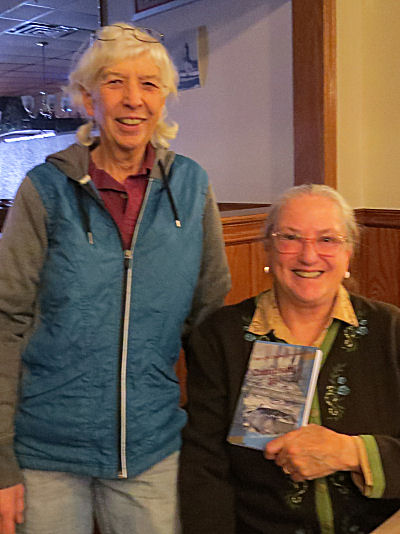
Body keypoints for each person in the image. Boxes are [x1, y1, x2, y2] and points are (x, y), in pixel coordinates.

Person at [0, 23, 230, 534]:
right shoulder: (44, 190)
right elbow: (4, 321)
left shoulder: (192, 187)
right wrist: (0, 462)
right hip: (46, 452)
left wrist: (214, 440)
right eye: (114, 82)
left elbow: (209, 319)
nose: (133, 99)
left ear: (164, 99)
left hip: (150, 448)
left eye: (149, 84)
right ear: (88, 99)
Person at [179, 184, 400, 534]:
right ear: (267, 248)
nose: (308, 256)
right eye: (290, 238)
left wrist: (352, 452)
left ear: (349, 252)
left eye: (327, 239)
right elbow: (204, 467)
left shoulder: (391, 330)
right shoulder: (221, 336)